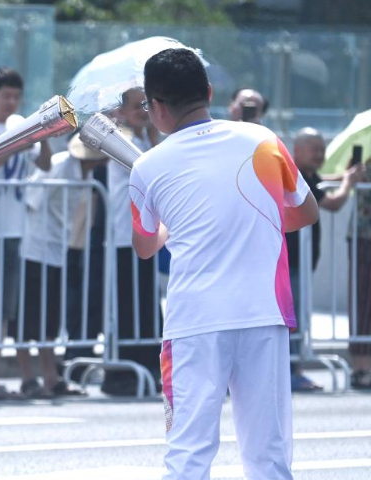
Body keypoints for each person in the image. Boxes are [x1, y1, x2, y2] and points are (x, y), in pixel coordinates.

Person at [130, 48, 318, 479]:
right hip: (262, 314)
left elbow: (144, 246)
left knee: (189, 452)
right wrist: (254, 221)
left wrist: (175, 229)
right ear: (210, 92)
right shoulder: (264, 141)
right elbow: (305, 212)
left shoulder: (146, 167)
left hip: (194, 323)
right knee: (267, 453)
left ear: (156, 106)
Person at [0, 67, 51, 401]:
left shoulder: (19, 127)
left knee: (0, 310)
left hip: (13, 230)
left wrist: (42, 134)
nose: (12, 102)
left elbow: (45, 164)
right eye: (6, 95)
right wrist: (14, 145)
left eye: (16, 96)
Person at [19, 133, 100, 398]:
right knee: (30, 316)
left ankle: (50, 376)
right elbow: (34, 198)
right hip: (36, 244)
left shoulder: (86, 173)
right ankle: (30, 376)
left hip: (56, 245)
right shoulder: (62, 164)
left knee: (49, 317)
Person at [285, 128, 364, 392]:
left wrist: (345, 175)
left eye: (322, 148)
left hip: (302, 261)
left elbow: (323, 181)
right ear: (296, 151)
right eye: (314, 149)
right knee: (292, 316)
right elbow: (333, 202)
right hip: (292, 261)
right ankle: (291, 369)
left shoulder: (307, 175)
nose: (320, 154)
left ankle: (292, 367)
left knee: (297, 315)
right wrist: (348, 184)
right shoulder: (298, 179)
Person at [101, 88, 164, 396]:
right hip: (123, 237)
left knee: (147, 304)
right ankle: (119, 372)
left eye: (146, 103)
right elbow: (151, 168)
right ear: (121, 111)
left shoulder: (143, 139)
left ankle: (149, 365)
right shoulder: (118, 138)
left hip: (144, 235)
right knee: (126, 306)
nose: (142, 110)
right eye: (135, 105)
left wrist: (153, 131)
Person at [351, 150, 371, 389]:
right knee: (363, 303)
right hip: (364, 240)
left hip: (362, 239)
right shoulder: (364, 170)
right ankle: (362, 366)